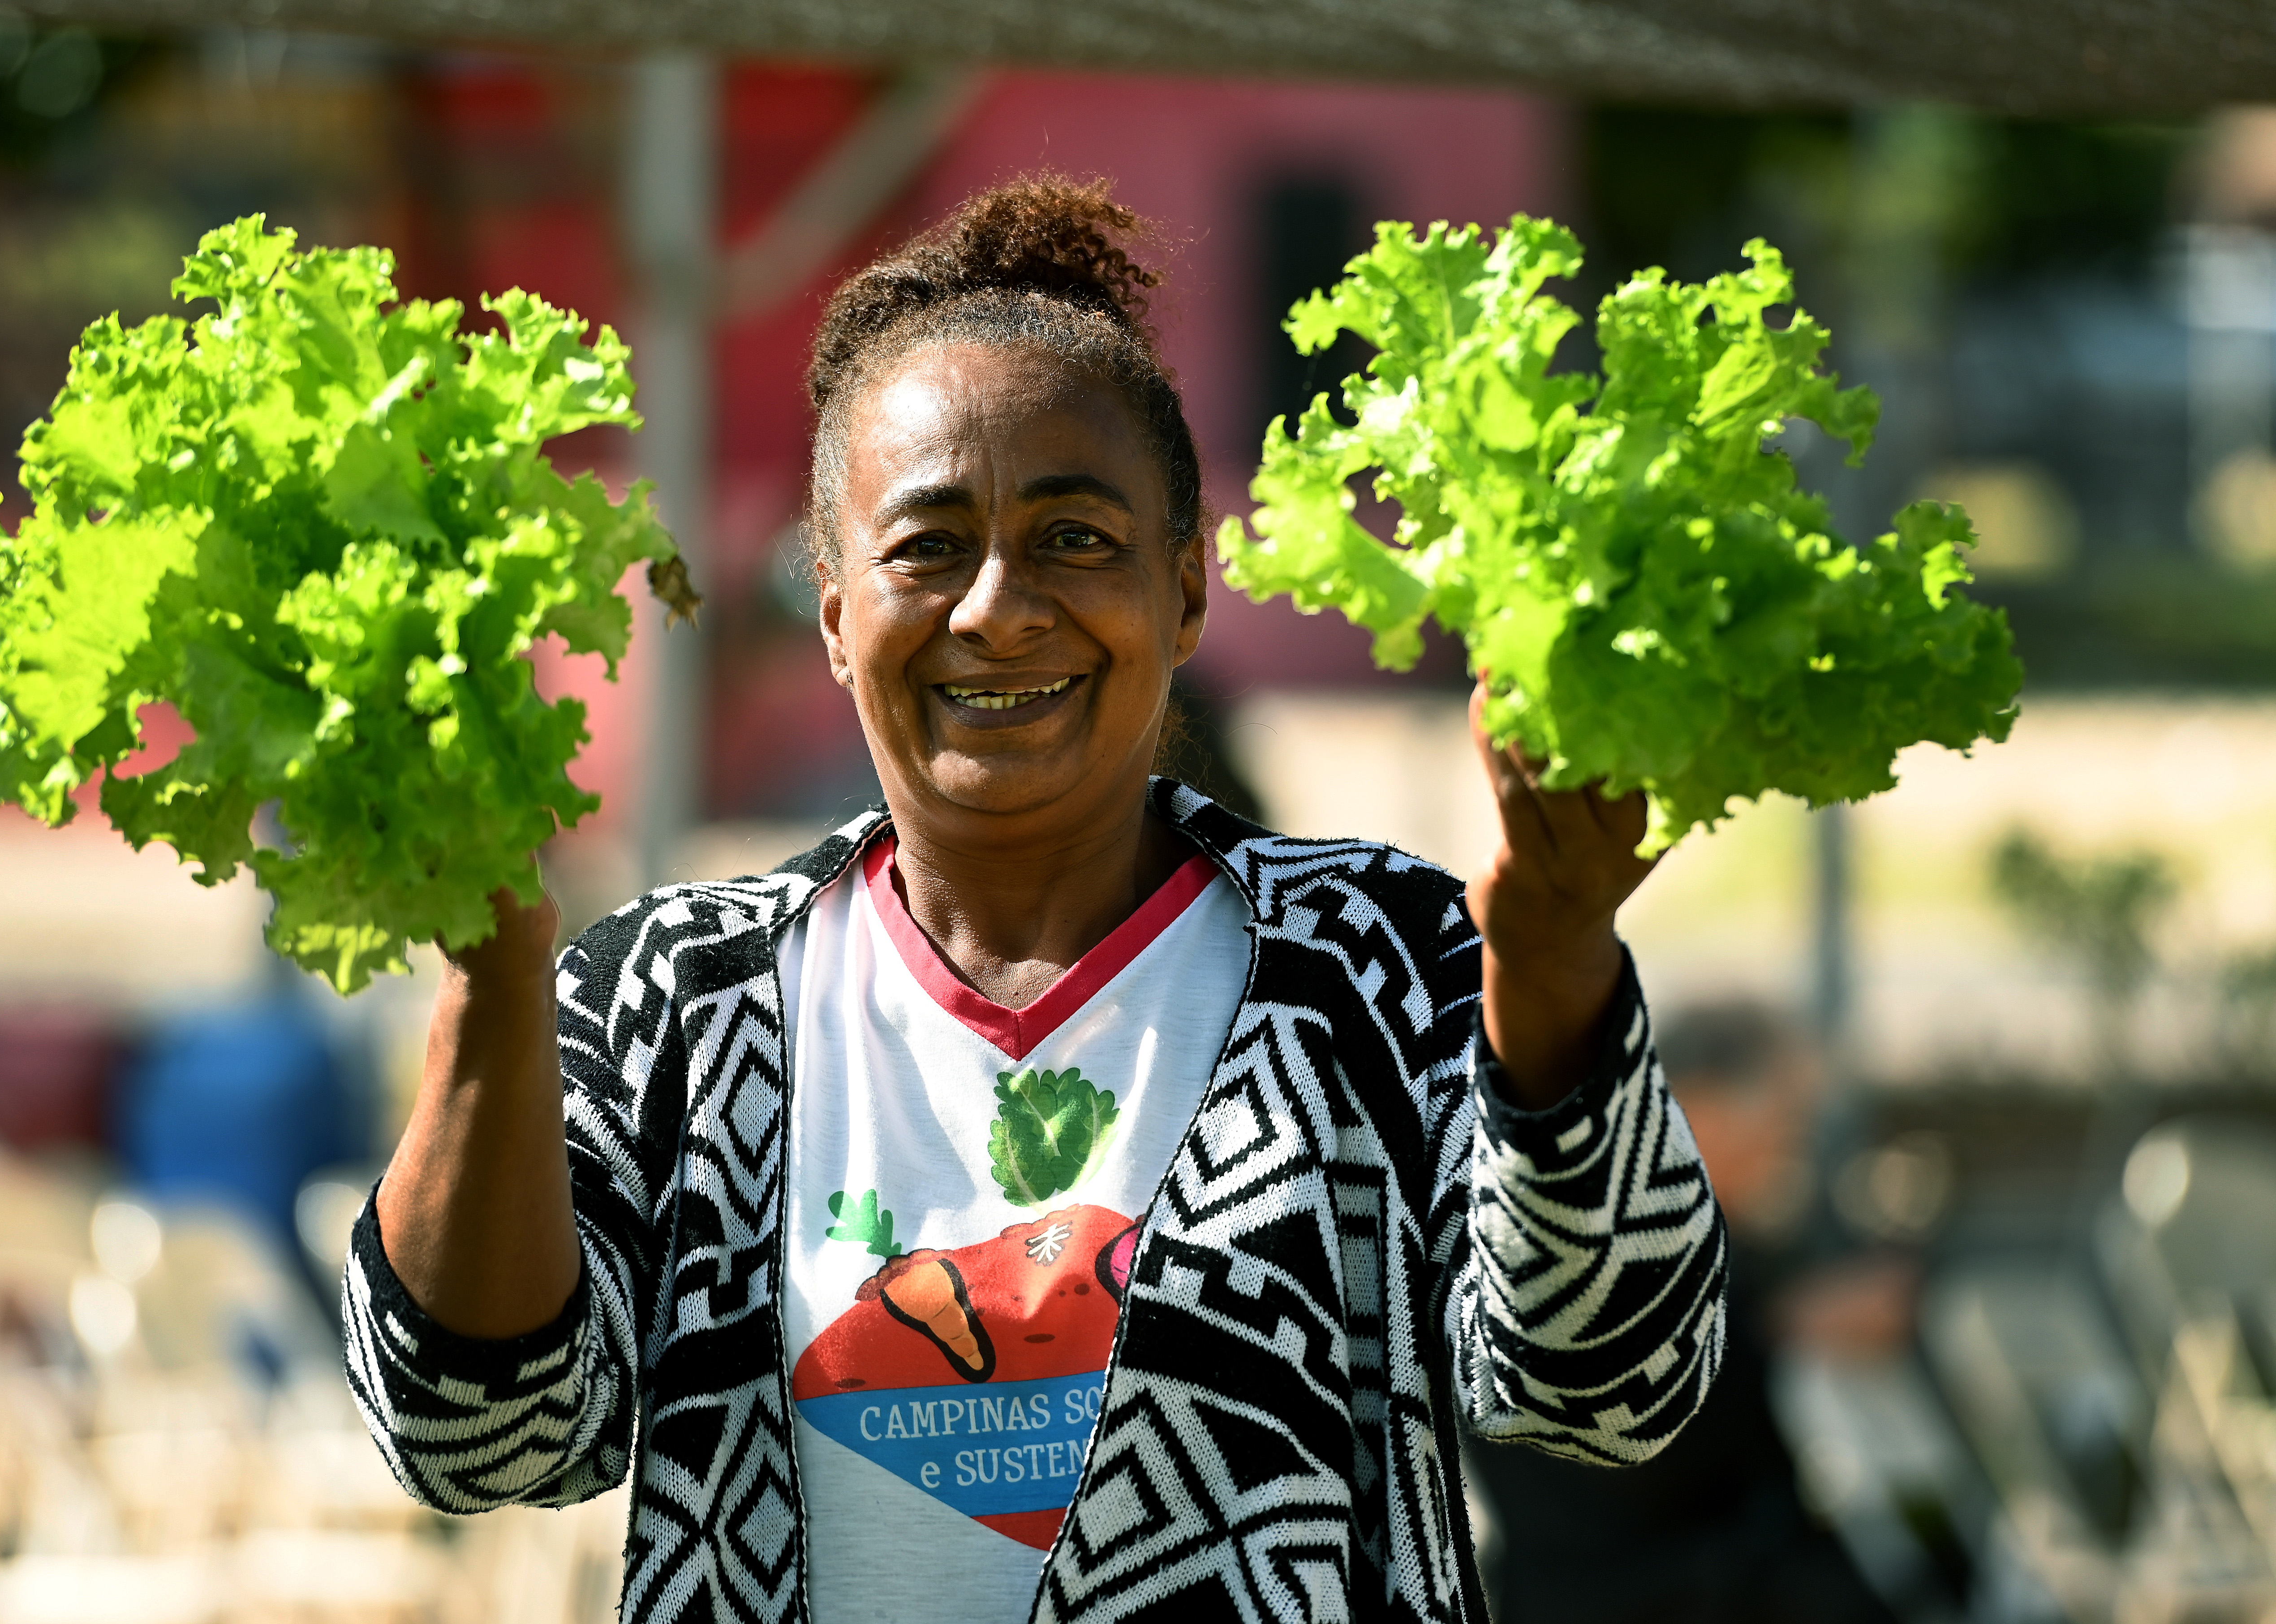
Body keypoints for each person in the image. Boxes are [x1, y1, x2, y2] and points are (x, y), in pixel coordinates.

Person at [342, 177, 1726, 1624]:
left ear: (1185, 589)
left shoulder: (1376, 955)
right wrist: (495, 983)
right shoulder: (670, 994)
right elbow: (475, 1440)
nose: (996, 606)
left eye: (1074, 537)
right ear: (832, 611)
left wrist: (1558, 956)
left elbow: (1614, 1391)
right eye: (926, 545)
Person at [1460, 999, 1905, 1624]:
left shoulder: (1682, 1226)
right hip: (1631, 1592)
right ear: (1705, 1101)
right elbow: (1637, 1435)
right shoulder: (1598, 1231)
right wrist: (1794, 1327)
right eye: (1788, 1119)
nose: (1796, 1146)